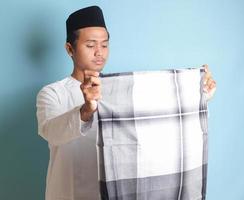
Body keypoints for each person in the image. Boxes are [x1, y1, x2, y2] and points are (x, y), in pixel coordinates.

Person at [36, 5, 216, 200]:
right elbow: (51, 132)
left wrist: (197, 95)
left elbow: (157, 122)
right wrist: (86, 109)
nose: (99, 52)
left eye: (104, 45)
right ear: (70, 49)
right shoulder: (52, 93)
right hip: (68, 194)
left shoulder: (119, 90)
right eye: (90, 45)